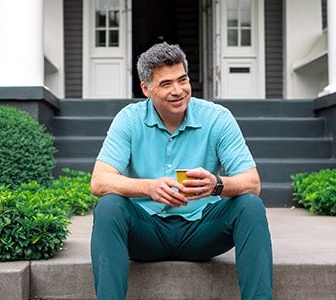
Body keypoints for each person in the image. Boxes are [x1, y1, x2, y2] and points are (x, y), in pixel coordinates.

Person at [89, 42, 273, 299]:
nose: (178, 91)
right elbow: (99, 181)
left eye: (183, 80)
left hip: (201, 231)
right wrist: (148, 187)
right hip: (145, 231)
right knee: (108, 206)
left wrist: (216, 185)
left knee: (250, 206)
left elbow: (252, 183)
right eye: (166, 84)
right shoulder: (129, 119)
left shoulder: (217, 118)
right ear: (146, 89)